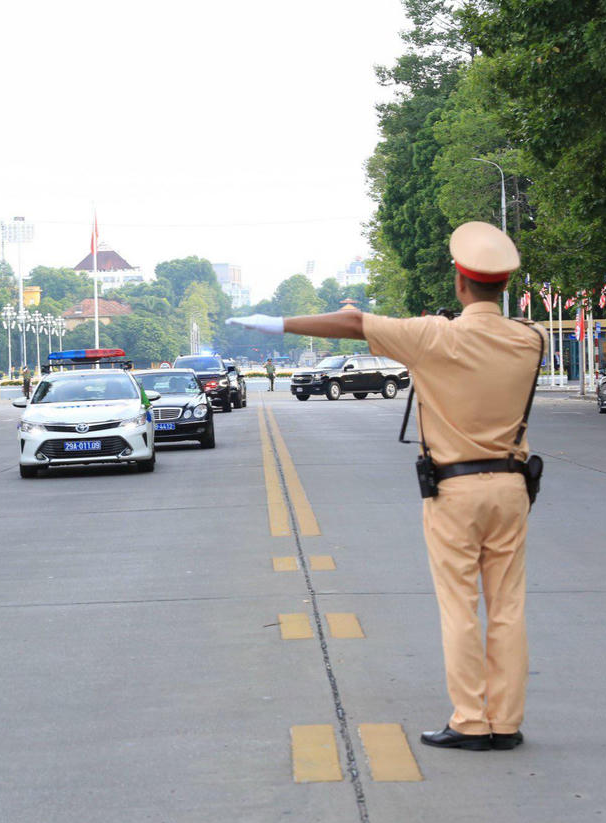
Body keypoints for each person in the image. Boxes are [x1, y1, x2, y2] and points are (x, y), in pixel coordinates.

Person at [228, 221, 543, 752]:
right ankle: (506, 722)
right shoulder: (529, 339)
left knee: (460, 607)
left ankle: (471, 720)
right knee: (507, 607)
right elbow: (507, 329)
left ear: (461, 283)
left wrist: (277, 323)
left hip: (454, 489)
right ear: (504, 284)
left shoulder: (433, 337)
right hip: (512, 488)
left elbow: (353, 322)